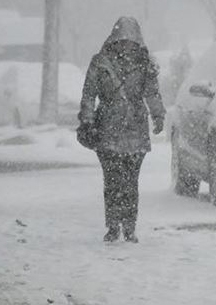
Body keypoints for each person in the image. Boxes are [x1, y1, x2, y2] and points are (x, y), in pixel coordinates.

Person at [78, 17, 165, 243]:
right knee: (114, 180)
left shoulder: (142, 63)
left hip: (131, 129)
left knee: (129, 182)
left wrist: (159, 115)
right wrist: (87, 121)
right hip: (109, 130)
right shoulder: (102, 62)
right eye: (123, 39)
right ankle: (115, 225)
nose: (126, 44)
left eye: (129, 39)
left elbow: (152, 93)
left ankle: (128, 226)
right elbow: (89, 94)